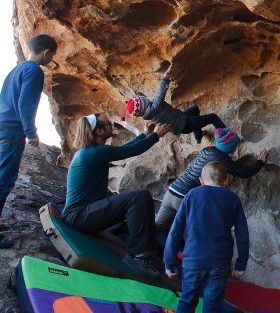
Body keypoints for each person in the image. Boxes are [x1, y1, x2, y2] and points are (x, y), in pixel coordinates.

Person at [62, 113, 170, 279]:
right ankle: (139, 257)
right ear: (98, 131)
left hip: (82, 214)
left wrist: (145, 135)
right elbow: (130, 151)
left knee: (135, 207)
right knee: (139, 197)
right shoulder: (94, 153)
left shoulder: (91, 152)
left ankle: (149, 254)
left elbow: (123, 150)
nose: (111, 124)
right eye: (107, 123)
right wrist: (156, 135)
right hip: (79, 216)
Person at [164, 161, 249, 313]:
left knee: (187, 302)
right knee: (212, 304)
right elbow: (242, 233)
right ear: (226, 181)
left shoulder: (191, 196)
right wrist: (241, 263)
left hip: (193, 260)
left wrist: (169, 262)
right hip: (220, 262)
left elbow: (175, 231)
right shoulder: (233, 199)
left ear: (201, 181)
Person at [0, 34, 57, 248]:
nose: (50, 60)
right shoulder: (34, 71)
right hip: (12, 131)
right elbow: (26, 104)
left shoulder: (17, 69)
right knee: (4, 180)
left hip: (2, 125)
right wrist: (30, 132)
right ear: (47, 52)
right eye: (51, 56)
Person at [155, 127, 267, 232]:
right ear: (229, 147)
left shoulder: (209, 150)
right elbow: (244, 172)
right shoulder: (222, 159)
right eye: (235, 145)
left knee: (158, 226)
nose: (236, 147)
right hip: (184, 198)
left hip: (171, 191)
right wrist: (260, 162)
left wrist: (226, 159)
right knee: (196, 231)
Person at [122, 66, 229, 144]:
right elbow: (160, 93)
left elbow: (144, 108)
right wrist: (165, 76)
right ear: (144, 103)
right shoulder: (154, 107)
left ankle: (198, 136)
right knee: (213, 117)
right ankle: (227, 137)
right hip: (185, 123)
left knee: (194, 109)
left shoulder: (146, 116)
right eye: (142, 99)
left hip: (180, 123)